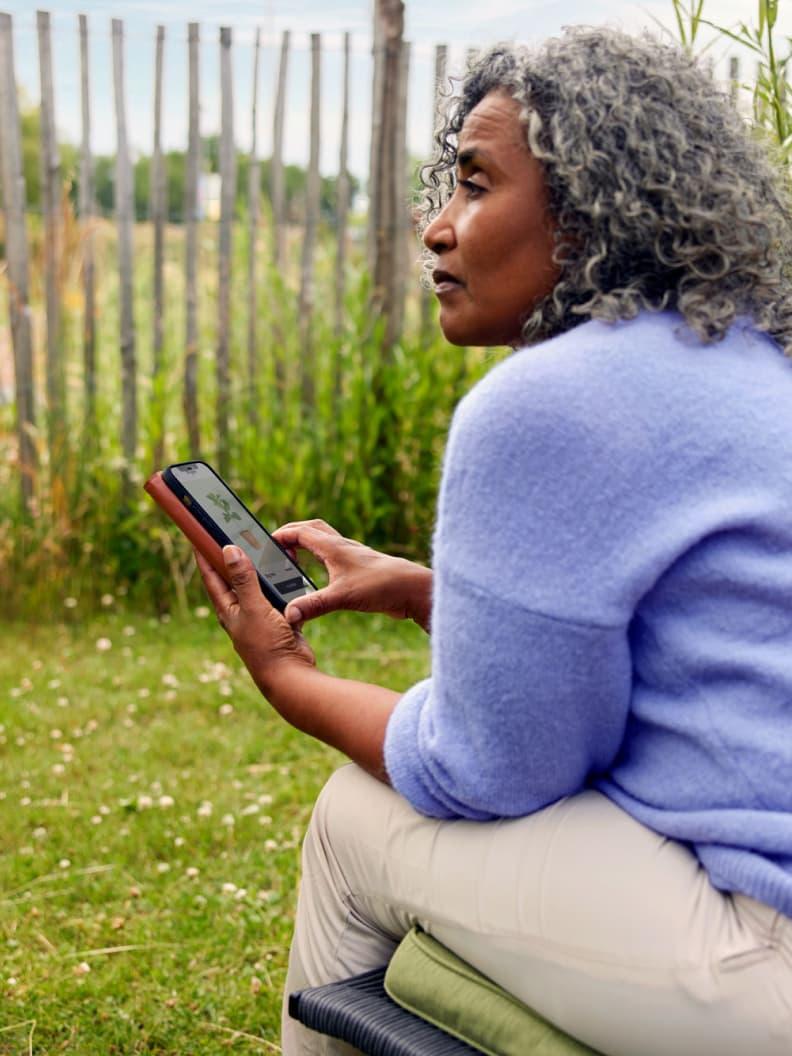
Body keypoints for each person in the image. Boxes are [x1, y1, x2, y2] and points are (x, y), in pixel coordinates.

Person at [195, 26, 792, 1056]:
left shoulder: (548, 401)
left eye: (475, 185)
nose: (435, 228)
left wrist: (287, 676)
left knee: (352, 819)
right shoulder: (747, 361)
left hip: (754, 958)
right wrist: (438, 596)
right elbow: (670, 652)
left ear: (594, 204)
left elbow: (496, 770)